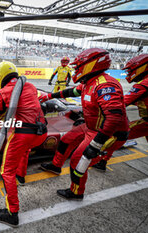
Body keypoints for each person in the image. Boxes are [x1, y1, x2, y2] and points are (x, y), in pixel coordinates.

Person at [39, 48, 129, 199]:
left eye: (79, 65)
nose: (76, 69)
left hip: (107, 132)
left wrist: (95, 146)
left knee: (77, 160)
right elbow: (71, 92)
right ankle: (56, 166)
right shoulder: (90, 82)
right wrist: (49, 95)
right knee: (66, 140)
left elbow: (114, 118)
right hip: (92, 126)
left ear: (92, 64)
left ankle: (76, 192)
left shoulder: (106, 85)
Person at [0, 61, 48, 227]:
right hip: (41, 132)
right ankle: (21, 176)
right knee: (25, 151)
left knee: (6, 172)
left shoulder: (4, 91)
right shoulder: (29, 85)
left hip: (23, 133)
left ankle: (12, 213)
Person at [92, 54, 148, 171]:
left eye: (131, 70)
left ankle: (101, 161)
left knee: (116, 136)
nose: (129, 73)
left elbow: (122, 102)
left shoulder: (145, 83)